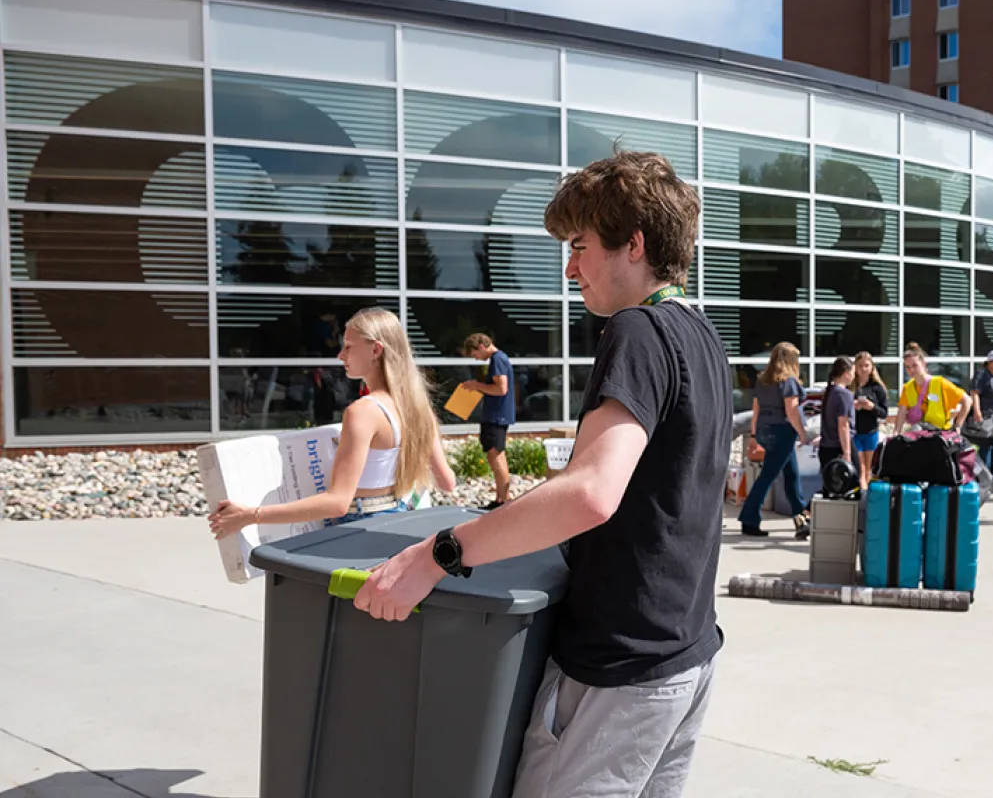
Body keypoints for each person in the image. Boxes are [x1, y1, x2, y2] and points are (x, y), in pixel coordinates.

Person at [353, 151, 729, 798]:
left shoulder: (636, 331)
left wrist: (440, 553)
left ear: (633, 244)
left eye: (581, 246)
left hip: (619, 671)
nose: (569, 266)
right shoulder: (700, 333)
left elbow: (590, 494)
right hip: (686, 654)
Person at [209, 307, 459, 538]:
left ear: (375, 350)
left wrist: (251, 516)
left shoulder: (364, 412)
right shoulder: (417, 406)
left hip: (360, 529)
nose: (341, 355)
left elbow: (337, 503)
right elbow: (447, 482)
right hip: (399, 522)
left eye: (349, 347)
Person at [740, 342, 813, 539]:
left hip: (765, 430)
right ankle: (749, 519)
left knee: (791, 475)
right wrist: (803, 434)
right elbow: (791, 411)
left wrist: (755, 435)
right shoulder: (788, 382)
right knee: (767, 477)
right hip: (782, 431)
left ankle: (801, 518)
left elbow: (756, 410)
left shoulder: (763, 380)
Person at [461, 333, 516, 510]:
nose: (476, 359)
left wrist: (476, 385)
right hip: (496, 416)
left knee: (496, 455)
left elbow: (501, 388)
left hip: (496, 416)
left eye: (474, 354)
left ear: (481, 347)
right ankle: (500, 499)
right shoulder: (499, 358)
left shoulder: (497, 359)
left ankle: (504, 500)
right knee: (495, 456)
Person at [893, 342, 971, 433]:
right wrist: (896, 432)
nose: (911, 370)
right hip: (919, 434)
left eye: (915, 365)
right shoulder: (907, 387)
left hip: (940, 433)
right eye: (907, 367)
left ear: (923, 364)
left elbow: (967, 400)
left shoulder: (940, 383)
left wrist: (958, 424)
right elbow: (901, 412)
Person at [850, 352, 889, 492]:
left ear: (872, 367)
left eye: (866, 365)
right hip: (854, 432)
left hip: (870, 431)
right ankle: (862, 493)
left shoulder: (877, 388)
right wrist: (853, 405)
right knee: (860, 467)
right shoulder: (850, 387)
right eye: (860, 365)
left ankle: (867, 495)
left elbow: (884, 413)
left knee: (869, 469)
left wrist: (871, 406)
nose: (863, 369)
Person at [817, 356, 855, 472]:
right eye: (853, 372)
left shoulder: (829, 392)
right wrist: (847, 452)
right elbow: (843, 424)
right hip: (839, 446)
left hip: (825, 446)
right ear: (846, 374)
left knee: (829, 486)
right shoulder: (844, 394)